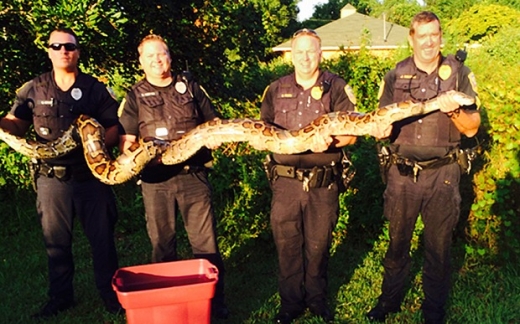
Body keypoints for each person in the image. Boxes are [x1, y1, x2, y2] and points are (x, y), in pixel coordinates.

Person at [367, 11, 481, 324]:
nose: (429, 41)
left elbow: (472, 128)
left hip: (443, 174)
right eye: (422, 35)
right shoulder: (394, 75)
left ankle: (433, 309)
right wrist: (380, 129)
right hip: (402, 173)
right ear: (412, 39)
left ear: (440, 36)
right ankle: (388, 300)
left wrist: (455, 110)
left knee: (438, 247)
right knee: (397, 242)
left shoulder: (459, 74)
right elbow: (382, 124)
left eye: (435, 34)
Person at [0, 28, 122, 318]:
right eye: (57, 46)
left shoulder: (94, 88)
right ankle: (60, 297)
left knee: (103, 238)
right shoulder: (34, 88)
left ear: (78, 52)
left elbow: (114, 128)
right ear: (49, 51)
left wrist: (94, 142)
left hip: (90, 176)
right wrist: (5, 127)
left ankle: (111, 294)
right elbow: (17, 123)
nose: (63, 50)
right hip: (51, 178)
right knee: (56, 241)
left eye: (69, 46)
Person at [118, 34, 229, 319]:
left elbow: (213, 123)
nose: (157, 60)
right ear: (141, 62)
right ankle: (166, 303)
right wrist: (138, 154)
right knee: (162, 243)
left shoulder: (190, 86)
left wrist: (216, 136)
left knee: (205, 242)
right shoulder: (134, 95)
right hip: (157, 182)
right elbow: (126, 141)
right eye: (150, 56)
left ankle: (214, 303)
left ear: (170, 56)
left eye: (162, 54)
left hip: (194, 176)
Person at [260, 28, 358, 324]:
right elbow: (263, 132)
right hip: (286, 181)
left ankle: (316, 300)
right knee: (287, 245)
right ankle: (290, 304)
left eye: (310, 51)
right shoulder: (275, 89)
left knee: (318, 244)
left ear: (320, 54)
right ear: (291, 55)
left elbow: (352, 134)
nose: (304, 57)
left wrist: (330, 142)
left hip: (322, 182)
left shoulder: (337, 87)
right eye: (299, 52)